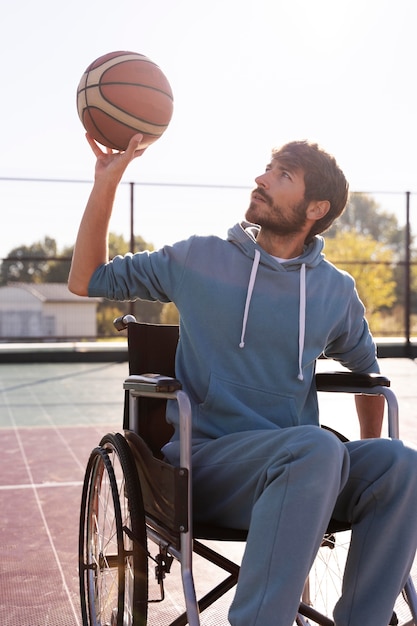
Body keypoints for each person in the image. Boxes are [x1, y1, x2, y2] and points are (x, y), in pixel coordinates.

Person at [69, 133, 417, 626]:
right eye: (268, 169)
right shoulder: (199, 259)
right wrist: (107, 182)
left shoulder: (334, 290)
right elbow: (87, 279)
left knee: (399, 464)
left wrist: (367, 463)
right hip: (206, 466)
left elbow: (367, 373)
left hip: (305, 470)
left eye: (283, 176)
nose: (262, 179)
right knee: (316, 448)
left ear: (316, 207)